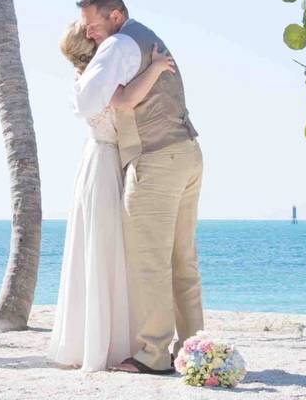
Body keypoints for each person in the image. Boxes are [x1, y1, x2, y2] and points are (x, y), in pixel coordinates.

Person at [73, 0, 204, 375]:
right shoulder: (150, 39)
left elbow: (86, 103)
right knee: (184, 261)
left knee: (150, 263)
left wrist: (110, 93)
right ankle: (195, 347)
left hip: (155, 160)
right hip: (188, 153)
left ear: (115, 16)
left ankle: (153, 354)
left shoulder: (118, 45)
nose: (91, 35)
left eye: (93, 26)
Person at [48, 20, 175, 371]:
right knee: (109, 247)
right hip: (105, 163)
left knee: (105, 250)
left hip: (102, 160)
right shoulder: (98, 80)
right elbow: (128, 99)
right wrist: (155, 68)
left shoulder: (90, 76)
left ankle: (104, 338)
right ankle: (115, 342)